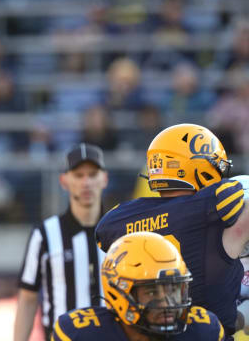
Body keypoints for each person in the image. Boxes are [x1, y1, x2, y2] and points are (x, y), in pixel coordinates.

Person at [95, 123, 249, 339]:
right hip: (207, 333)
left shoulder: (122, 218)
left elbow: (103, 230)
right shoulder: (220, 206)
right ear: (200, 165)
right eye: (218, 166)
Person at [52, 231, 224, 340]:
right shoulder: (83, 334)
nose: (166, 303)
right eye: (151, 292)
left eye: (173, 289)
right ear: (118, 293)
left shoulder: (202, 331)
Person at [14, 143, 109, 340]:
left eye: (92, 174)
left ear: (104, 179)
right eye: (78, 175)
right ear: (64, 181)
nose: (86, 182)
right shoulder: (45, 234)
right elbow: (28, 299)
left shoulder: (119, 231)